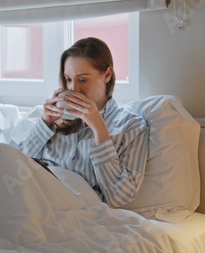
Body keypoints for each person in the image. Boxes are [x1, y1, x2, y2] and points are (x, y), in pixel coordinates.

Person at [17, 37, 149, 208]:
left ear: (107, 75)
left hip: (73, 207)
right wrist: (45, 123)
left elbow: (119, 197)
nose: (73, 90)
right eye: (68, 79)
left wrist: (99, 129)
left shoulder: (131, 126)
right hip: (33, 196)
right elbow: (15, 169)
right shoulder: (55, 119)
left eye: (83, 80)